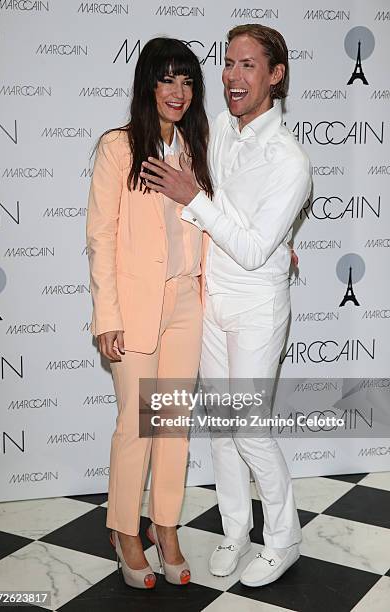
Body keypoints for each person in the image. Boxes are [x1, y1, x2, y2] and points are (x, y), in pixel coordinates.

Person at [140, 24, 312, 588]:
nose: (233, 77)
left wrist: (194, 198)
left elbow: (252, 246)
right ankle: (236, 530)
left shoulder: (289, 161)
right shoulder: (216, 133)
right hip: (210, 301)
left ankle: (283, 538)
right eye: (228, 64)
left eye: (247, 66)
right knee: (221, 426)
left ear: (275, 75)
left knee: (250, 429)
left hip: (257, 308)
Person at [86, 37, 213, 589]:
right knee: (137, 427)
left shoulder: (196, 146)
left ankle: (166, 527)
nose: (178, 92)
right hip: (135, 308)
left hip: (187, 302)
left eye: (187, 81)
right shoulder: (118, 147)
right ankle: (126, 532)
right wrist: (106, 315)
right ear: (148, 85)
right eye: (167, 80)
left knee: (172, 428)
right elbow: (101, 236)